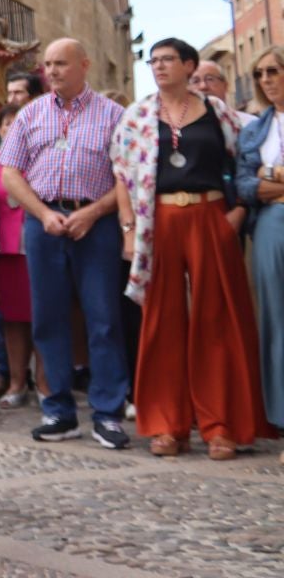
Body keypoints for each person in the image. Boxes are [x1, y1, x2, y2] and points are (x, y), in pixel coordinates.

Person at [112, 38, 269, 458]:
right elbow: (122, 174)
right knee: (161, 320)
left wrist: (236, 214)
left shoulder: (220, 114)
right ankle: (168, 425)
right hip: (157, 222)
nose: (159, 67)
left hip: (211, 217)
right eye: (154, 60)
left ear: (188, 65)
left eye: (167, 60)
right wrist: (128, 228)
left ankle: (221, 425)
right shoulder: (138, 115)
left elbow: (246, 161)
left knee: (217, 319)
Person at [0, 38, 131, 449]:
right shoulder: (30, 114)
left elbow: (127, 176)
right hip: (44, 225)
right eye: (47, 65)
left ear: (85, 64)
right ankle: (58, 410)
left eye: (60, 64)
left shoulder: (114, 114)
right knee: (48, 318)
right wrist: (42, 213)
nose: (51, 71)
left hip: (97, 223)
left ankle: (108, 413)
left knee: (104, 317)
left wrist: (93, 213)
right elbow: (10, 172)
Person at [234, 45, 284, 460]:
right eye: (260, 73)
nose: (267, 79)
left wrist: (271, 177)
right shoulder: (254, 130)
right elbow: (246, 186)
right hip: (269, 224)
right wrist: (272, 176)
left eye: (274, 70)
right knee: (276, 320)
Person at [0, 105, 44, 408]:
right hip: (5, 251)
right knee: (12, 321)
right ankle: (17, 382)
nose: (13, 128)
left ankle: (46, 384)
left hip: (40, 244)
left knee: (45, 317)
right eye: (7, 124)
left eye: (19, 123)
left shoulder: (42, 158)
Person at [193, 59, 255, 129]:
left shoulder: (249, 124)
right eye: (195, 81)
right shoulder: (183, 130)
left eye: (210, 79)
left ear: (225, 85)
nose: (203, 86)